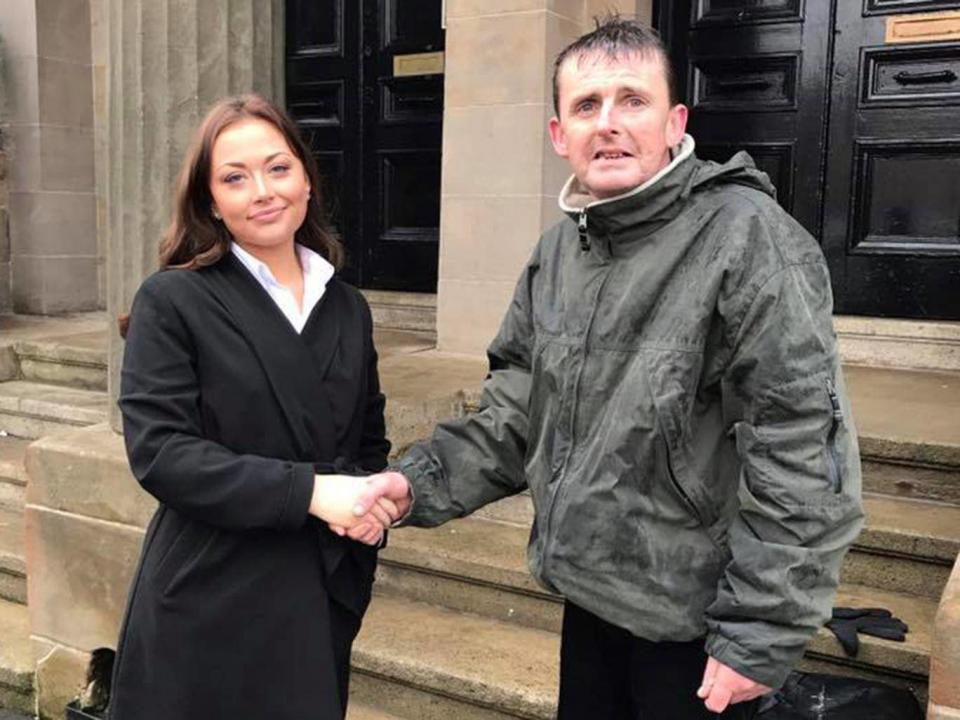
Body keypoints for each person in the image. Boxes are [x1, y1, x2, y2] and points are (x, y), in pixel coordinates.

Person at [344, 16, 864, 719]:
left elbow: (803, 447)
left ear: (675, 120)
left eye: (633, 100)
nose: (609, 123)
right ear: (559, 134)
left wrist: (761, 634)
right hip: (591, 602)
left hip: (697, 626)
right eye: (587, 106)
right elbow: (516, 413)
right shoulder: (559, 254)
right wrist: (414, 483)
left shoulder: (748, 239)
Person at [109, 94, 395, 720]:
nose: (262, 191)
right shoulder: (173, 300)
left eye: (278, 168)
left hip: (318, 587)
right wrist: (313, 493)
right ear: (211, 201)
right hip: (210, 592)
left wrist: (372, 506)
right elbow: (162, 454)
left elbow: (367, 440)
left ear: (307, 181)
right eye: (235, 178)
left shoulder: (348, 307)